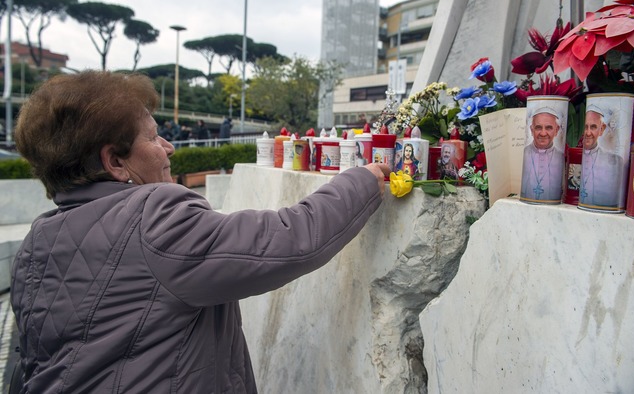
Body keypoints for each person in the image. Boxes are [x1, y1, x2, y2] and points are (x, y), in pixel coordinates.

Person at [10, 70, 390, 393]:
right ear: (115, 161)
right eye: (153, 137)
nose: (169, 147)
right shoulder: (153, 216)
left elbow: (31, 365)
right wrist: (362, 179)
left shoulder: (36, 242)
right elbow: (287, 239)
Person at [579, 106, 623, 208]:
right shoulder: (572, 157)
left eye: (593, 127)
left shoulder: (615, 162)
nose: (588, 133)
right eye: (585, 127)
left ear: (601, 129)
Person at [520, 107, 564, 202]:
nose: (543, 133)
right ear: (532, 130)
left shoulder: (561, 157)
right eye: (538, 127)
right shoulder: (522, 154)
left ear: (556, 130)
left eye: (548, 128)